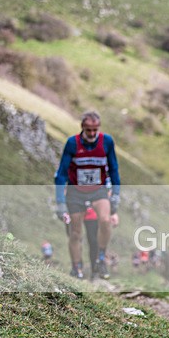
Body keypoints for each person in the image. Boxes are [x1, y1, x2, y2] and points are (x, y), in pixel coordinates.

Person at [54, 110, 120, 279]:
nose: (91, 134)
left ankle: (100, 259)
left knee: (105, 220)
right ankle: (76, 268)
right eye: (88, 130)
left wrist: (116, 194)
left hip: (98, 189)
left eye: (95, 130)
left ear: (99, 128)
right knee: (75, 232)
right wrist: (60, 203)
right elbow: (61, 174)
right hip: (76, 191)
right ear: (82, 127)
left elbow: (113, 169)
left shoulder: (107, 142)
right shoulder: (72, 143)